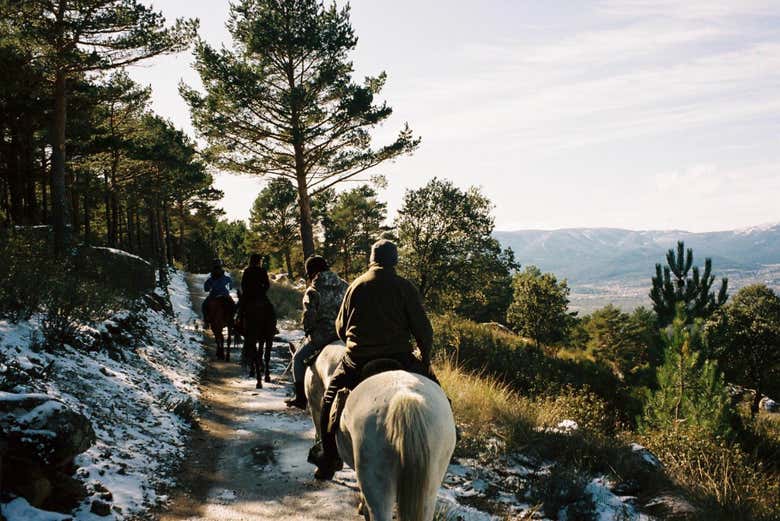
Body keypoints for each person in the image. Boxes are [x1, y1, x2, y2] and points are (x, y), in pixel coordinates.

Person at [308, 239, 440, 480]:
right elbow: (424, 330)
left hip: (358, 360)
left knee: (328, 400)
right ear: (394, 260)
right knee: (437, 391)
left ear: (372, 260)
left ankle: (328, 458)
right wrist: (425, 358)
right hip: (399, 358)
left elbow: (340, 328)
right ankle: (451, 432)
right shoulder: (405, 287)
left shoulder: (356, 286)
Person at [285, 256, 348, 409]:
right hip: (344, 335)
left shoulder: (313, 290)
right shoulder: (345, 285)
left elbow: (309, 317)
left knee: (298, 359)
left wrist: (308, 330)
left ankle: (300, 398)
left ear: (311, 272)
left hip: (322, 336)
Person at [238, 253, 276, 384]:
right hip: (261, 297)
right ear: (258, 261)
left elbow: (243, 286)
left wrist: (248, 294)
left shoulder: (247, 271)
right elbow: (267, 285)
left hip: (249, 299)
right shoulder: (262, 270)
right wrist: (261, 290)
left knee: (240, 311)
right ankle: (272, 328)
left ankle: (239, 326)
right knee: (271, 309)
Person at [202, 259, 234, 327]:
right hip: (225, 296)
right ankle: (232, 322)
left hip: (214, 296)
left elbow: (206, 289)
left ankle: (206, 322)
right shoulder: (226, 277)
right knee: (233, 306)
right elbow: (231, 287)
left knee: (204, 306)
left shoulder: (211, 278)